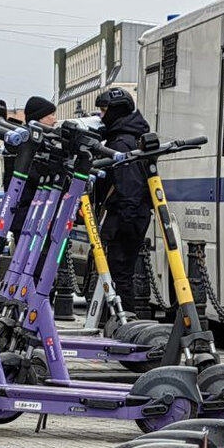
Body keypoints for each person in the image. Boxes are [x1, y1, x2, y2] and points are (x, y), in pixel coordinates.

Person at [95, 88, 152, 308]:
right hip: (132, 216)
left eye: (104, 110)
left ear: (115, 111)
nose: (101, 116)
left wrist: (125, 221)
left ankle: (123, 322)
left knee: (119, 275)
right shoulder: (132, 136)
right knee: (121, 274)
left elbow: (129, 184)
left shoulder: (120, 143)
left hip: (124, 218)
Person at [4, 95, 56, 238]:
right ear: (38, 119)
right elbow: (34, 176)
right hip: (28, 215)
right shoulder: (27, 145)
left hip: (36, 214)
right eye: (50, 115)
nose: (55, 120)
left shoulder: (44, 143)